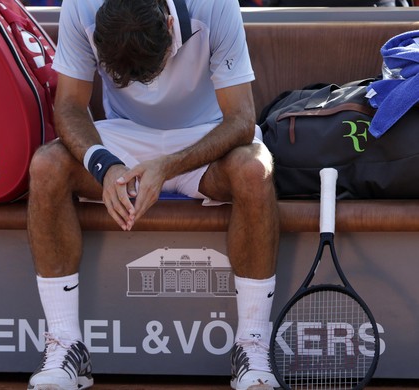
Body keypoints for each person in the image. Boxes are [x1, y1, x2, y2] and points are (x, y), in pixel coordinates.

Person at [26, 0, 280, 389]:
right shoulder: (80, 6)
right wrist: (104, 165)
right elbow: (70, 106)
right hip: (124, 135)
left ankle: (253, 346)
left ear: (166, 23)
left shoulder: (214, 5)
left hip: (206, 136)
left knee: (254, 169)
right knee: (46, 166)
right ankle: (65, 346)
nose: (141, 84)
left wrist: (168, 166)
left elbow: (242, 120)